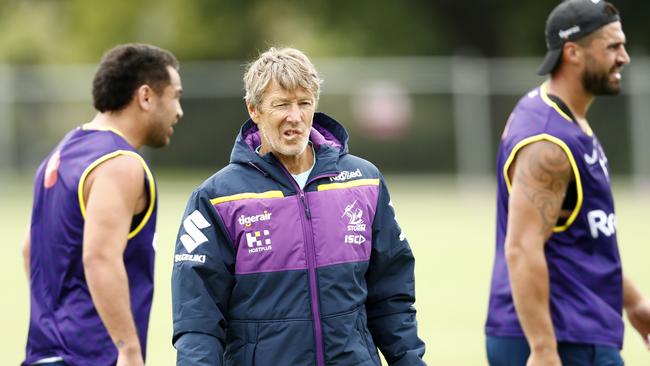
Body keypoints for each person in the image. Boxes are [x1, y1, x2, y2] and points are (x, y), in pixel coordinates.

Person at [171, 47, 426, 365]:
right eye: (281, 105)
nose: (295, 116)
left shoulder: (364, 182)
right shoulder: (217, 198)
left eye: (304, 103)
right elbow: (198, 320)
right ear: (254, 110)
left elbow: (392, 298)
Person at [485, 1, 650, 365]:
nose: (623, 57)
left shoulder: (566, 120)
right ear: (573, 52)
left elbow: (582, 240)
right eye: (612, 47)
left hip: (580, 328)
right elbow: (522, 248)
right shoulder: (549, 142)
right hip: (560, 337)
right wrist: (543, 350)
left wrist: (635, 303)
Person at [22, 43, 183, 366]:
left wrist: (57, 323)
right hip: (92, 356)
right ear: (146, 96)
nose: (179, 111)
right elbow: (99, 257)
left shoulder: (61, 153)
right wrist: (128, 350)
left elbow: (30, 249)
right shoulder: (120, 163)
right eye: (176, 96)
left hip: (43, 353)